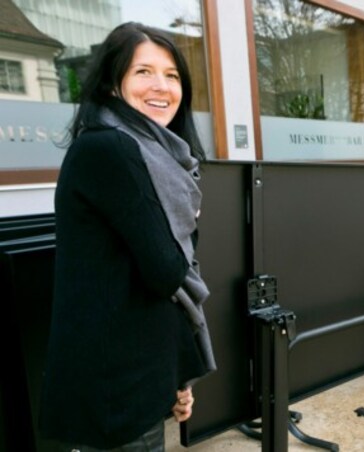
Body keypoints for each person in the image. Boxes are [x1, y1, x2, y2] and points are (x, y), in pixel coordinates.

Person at [39, 22, 216, 450]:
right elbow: (166, 268)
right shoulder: (112, 150)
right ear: (113, 83)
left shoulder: (150, 153)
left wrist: (177, 376)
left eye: (172, 75)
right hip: (114, 386)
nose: (162, 86)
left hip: (135, 372)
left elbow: (158, 281)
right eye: (143, 72)